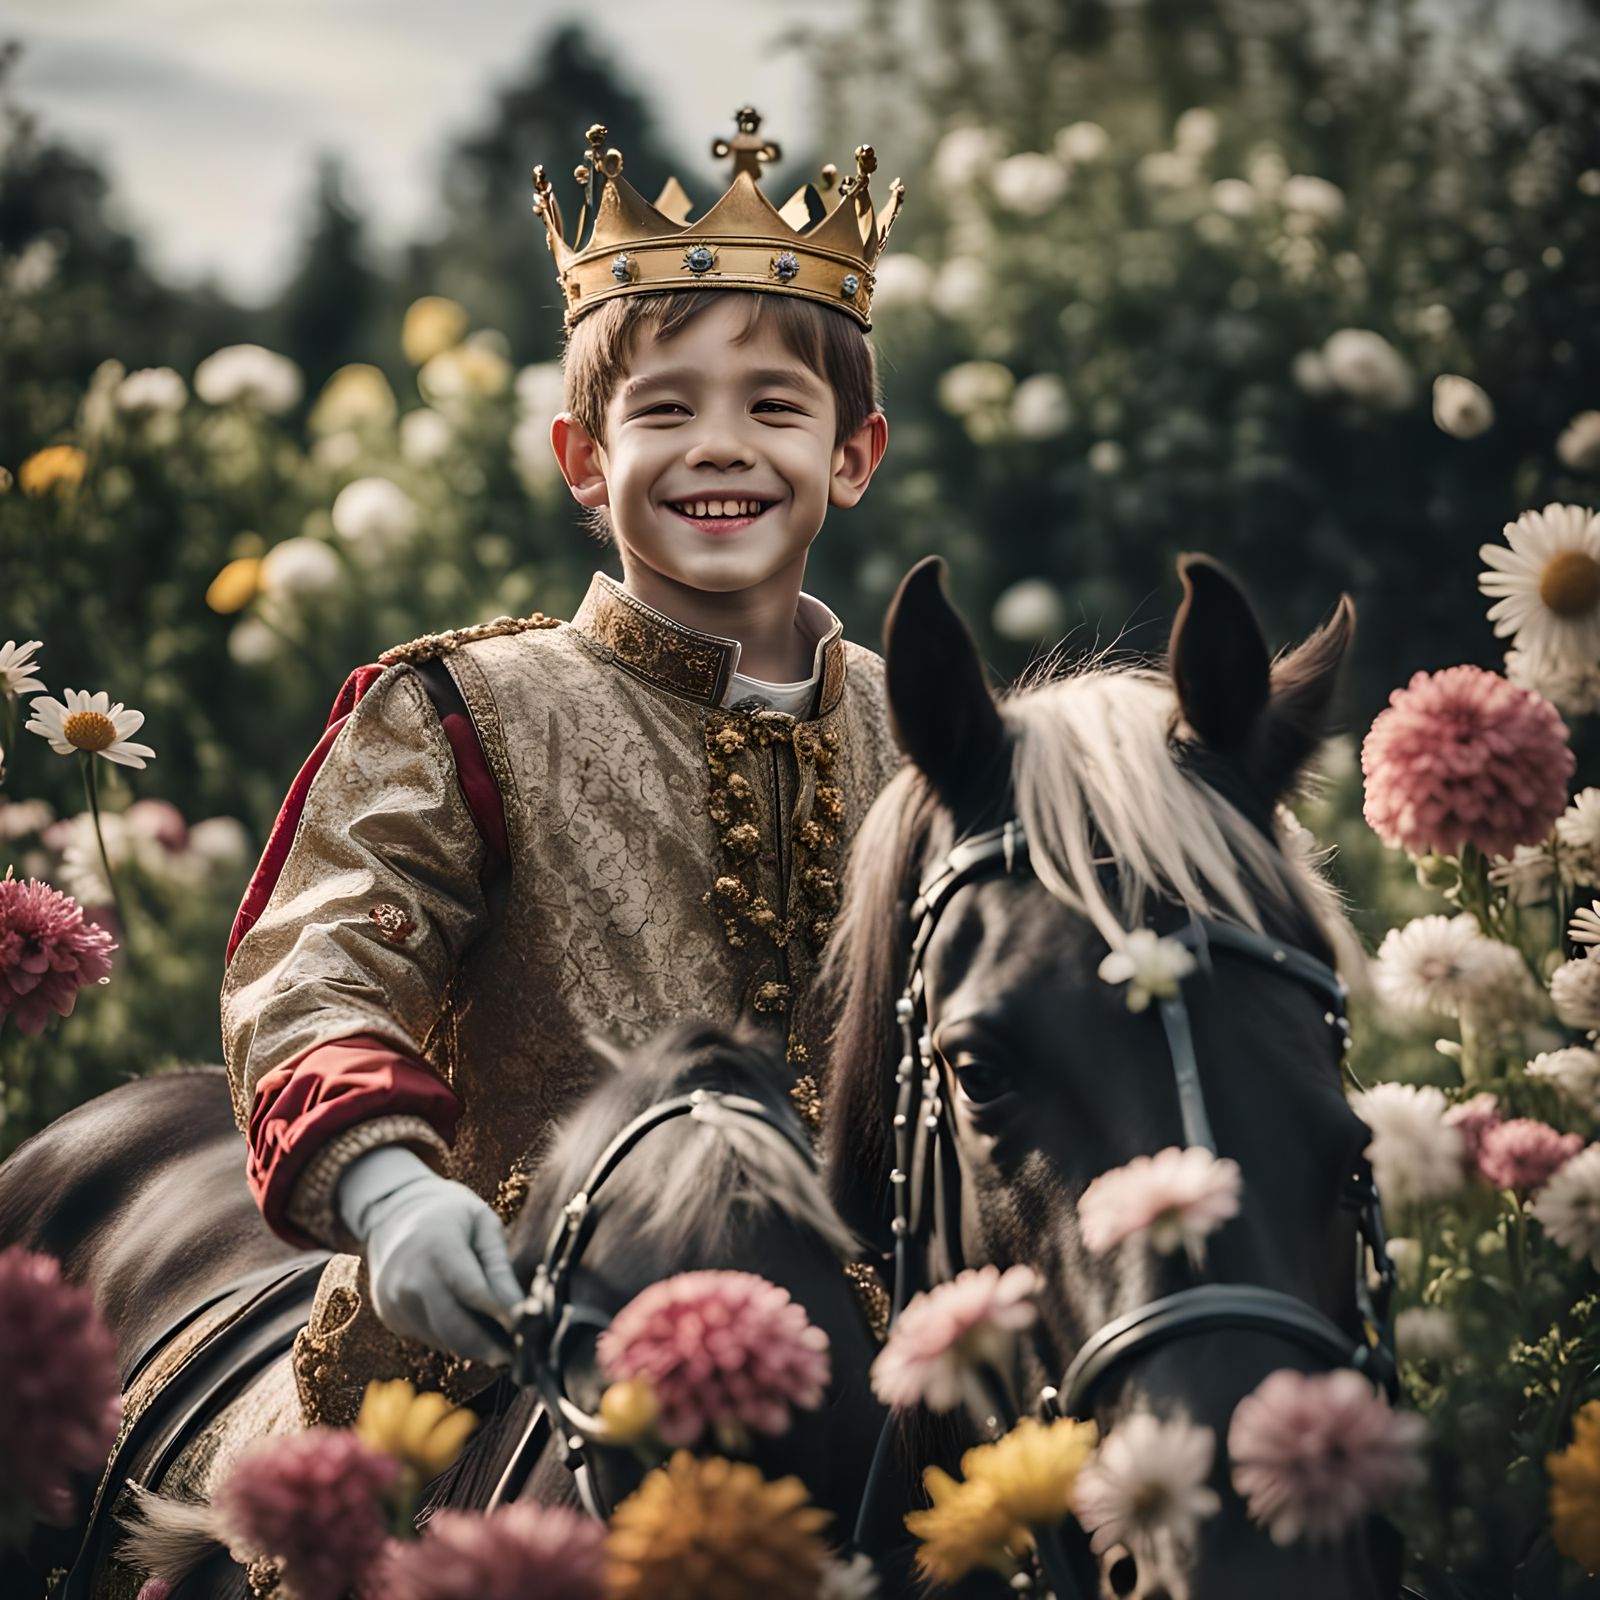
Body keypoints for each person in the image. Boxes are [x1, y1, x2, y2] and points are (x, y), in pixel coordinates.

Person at [221, 108, 905, 1425]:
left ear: (853, 455)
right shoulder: (466, 712)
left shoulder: (923, 732)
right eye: (666, 408)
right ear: (586, 462)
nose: (720, 444)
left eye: (774, 406)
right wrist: (392, 1192)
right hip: (513, 1348)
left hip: (879, 1370)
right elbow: (315, 971)